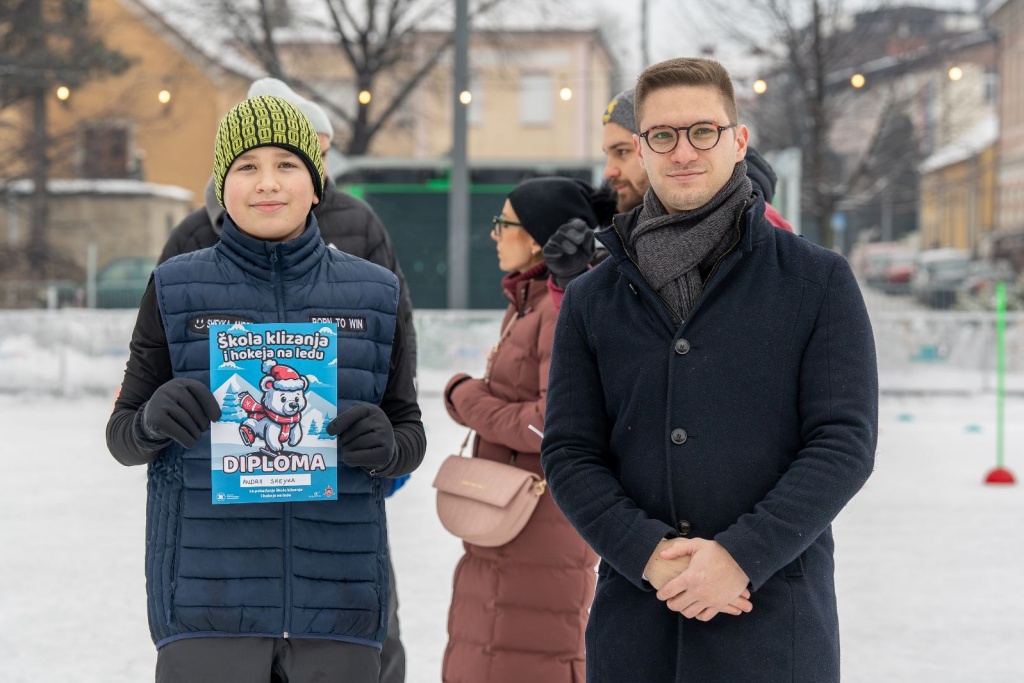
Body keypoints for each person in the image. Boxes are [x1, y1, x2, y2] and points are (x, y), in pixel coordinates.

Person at [541, 57, 878, 682]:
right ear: (642, 149)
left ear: (738, 140)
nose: (683, 151)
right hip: (638, 627)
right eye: (662, 135)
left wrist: (741, 556)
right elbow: (569, 451)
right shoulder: (592, 297)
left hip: (771, 624)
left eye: (703, 131)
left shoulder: (817, 280)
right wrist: (648, 554)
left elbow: (843, 443)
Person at [105, 94, 426, 682]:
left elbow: (409, 430)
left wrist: (389, 446)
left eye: (287, 164)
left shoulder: (375, 293)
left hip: (338, 605)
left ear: (316, 183)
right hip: (207, 607)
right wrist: (152, 420)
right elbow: (122, 435)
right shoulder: (174, 287)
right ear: (222, 185)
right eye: (246, 166)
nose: (267, 183)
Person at [440, 177, 615, 683]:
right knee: (486, 653)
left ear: (540, 238)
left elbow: (549, 423)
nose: (494, 234)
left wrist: (464, 397)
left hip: (539, 529)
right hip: (510, 520)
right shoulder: (528, 304)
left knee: (524, 659)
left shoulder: (556, 313)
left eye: (504, 223)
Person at [542, 86, 794, 306]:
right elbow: (610, 337)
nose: (609, 171)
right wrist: (572, 280)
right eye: (608, 155)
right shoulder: (633, 234)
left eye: (622, 152)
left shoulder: (753, 224)